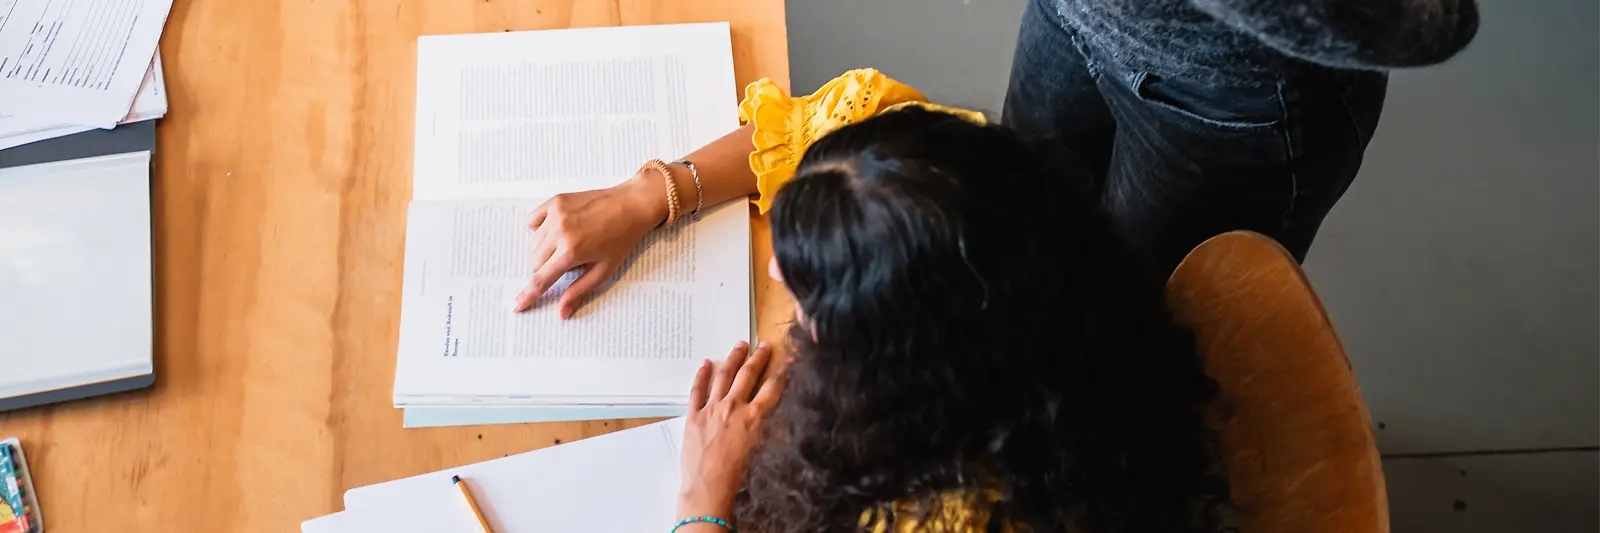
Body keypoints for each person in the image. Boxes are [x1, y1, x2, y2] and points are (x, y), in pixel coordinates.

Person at [519, 70, 1227, 531]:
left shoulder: (948, 509)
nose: (773, 270)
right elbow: (808, 140)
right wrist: (652, 193)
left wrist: (703, 504)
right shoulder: (943, 178)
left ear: (898, 367)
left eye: (810, 292)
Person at [1004, 0, 1479, 272]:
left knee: (1154, 324)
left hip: (1230, 90)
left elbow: (1423, 26)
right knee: (1022, 232)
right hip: (1071, 13)